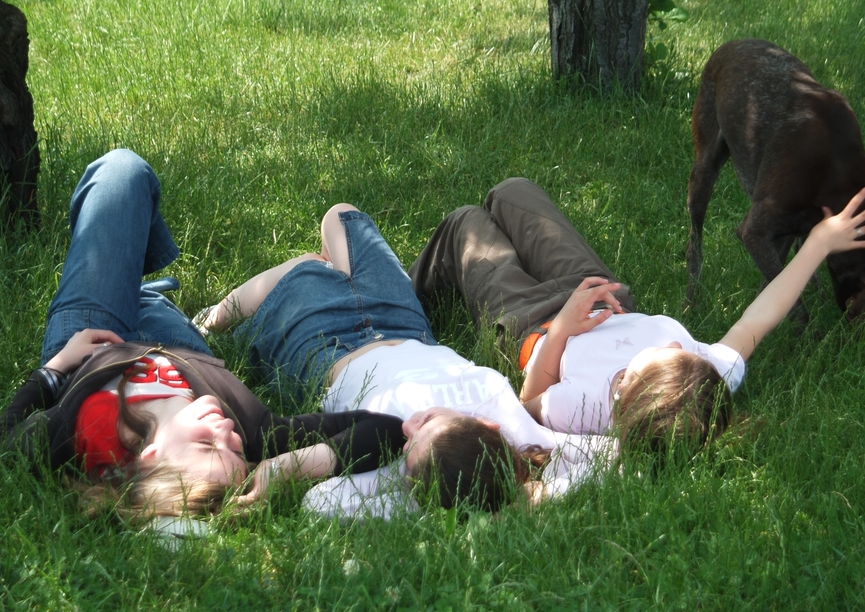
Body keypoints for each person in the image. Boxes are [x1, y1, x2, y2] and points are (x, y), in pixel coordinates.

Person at [0, 149, 406, 519]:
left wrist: (55, 369)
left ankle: (132, 288)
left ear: (148, 459)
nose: (226, 432)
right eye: (236, 451)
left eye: (208, 445)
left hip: (89, 342)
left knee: (123, 171)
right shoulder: (254, 431)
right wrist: (291, 465)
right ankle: (146, 296)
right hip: (183, 347)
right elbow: (388, 429)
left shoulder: (78, 433)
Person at [408, 177, 865, 453]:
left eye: (620, 387)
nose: (617, 382)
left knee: (465, 223)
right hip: (599, 294)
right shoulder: (706, 379)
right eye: (629, 375)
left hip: (535, 327)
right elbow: (758, 320)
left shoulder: (593, 409)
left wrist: (559, 332)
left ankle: (396, 293)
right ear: (680, 354)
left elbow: (530, 400)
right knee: (512, 192)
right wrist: (820, 242)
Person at [198, 203, 614, 516]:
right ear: (486, 426)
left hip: (326, 346)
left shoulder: (408, 473)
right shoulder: (510, 421)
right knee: (342, 216)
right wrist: (530, 494)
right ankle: (321, 269)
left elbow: (321, 502)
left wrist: (416, 500)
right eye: (429, 424)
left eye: (410, 444)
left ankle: (207, 322)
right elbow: (607, 456)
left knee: (300, 275)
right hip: (401, 321)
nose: (409, 428)